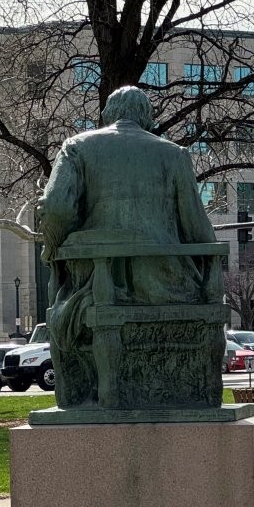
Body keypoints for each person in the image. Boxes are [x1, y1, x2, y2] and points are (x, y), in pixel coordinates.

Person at [36, 86, 223, 409]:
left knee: (62, 305)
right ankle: (201, 392)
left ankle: (90, 394)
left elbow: (55, 208)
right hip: (167, 283)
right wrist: (210, 262)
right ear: (147, 119)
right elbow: (196, 226)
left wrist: (54, 248)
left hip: (97, 282)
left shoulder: (77, 148)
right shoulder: (173, 154)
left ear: (108, 114)